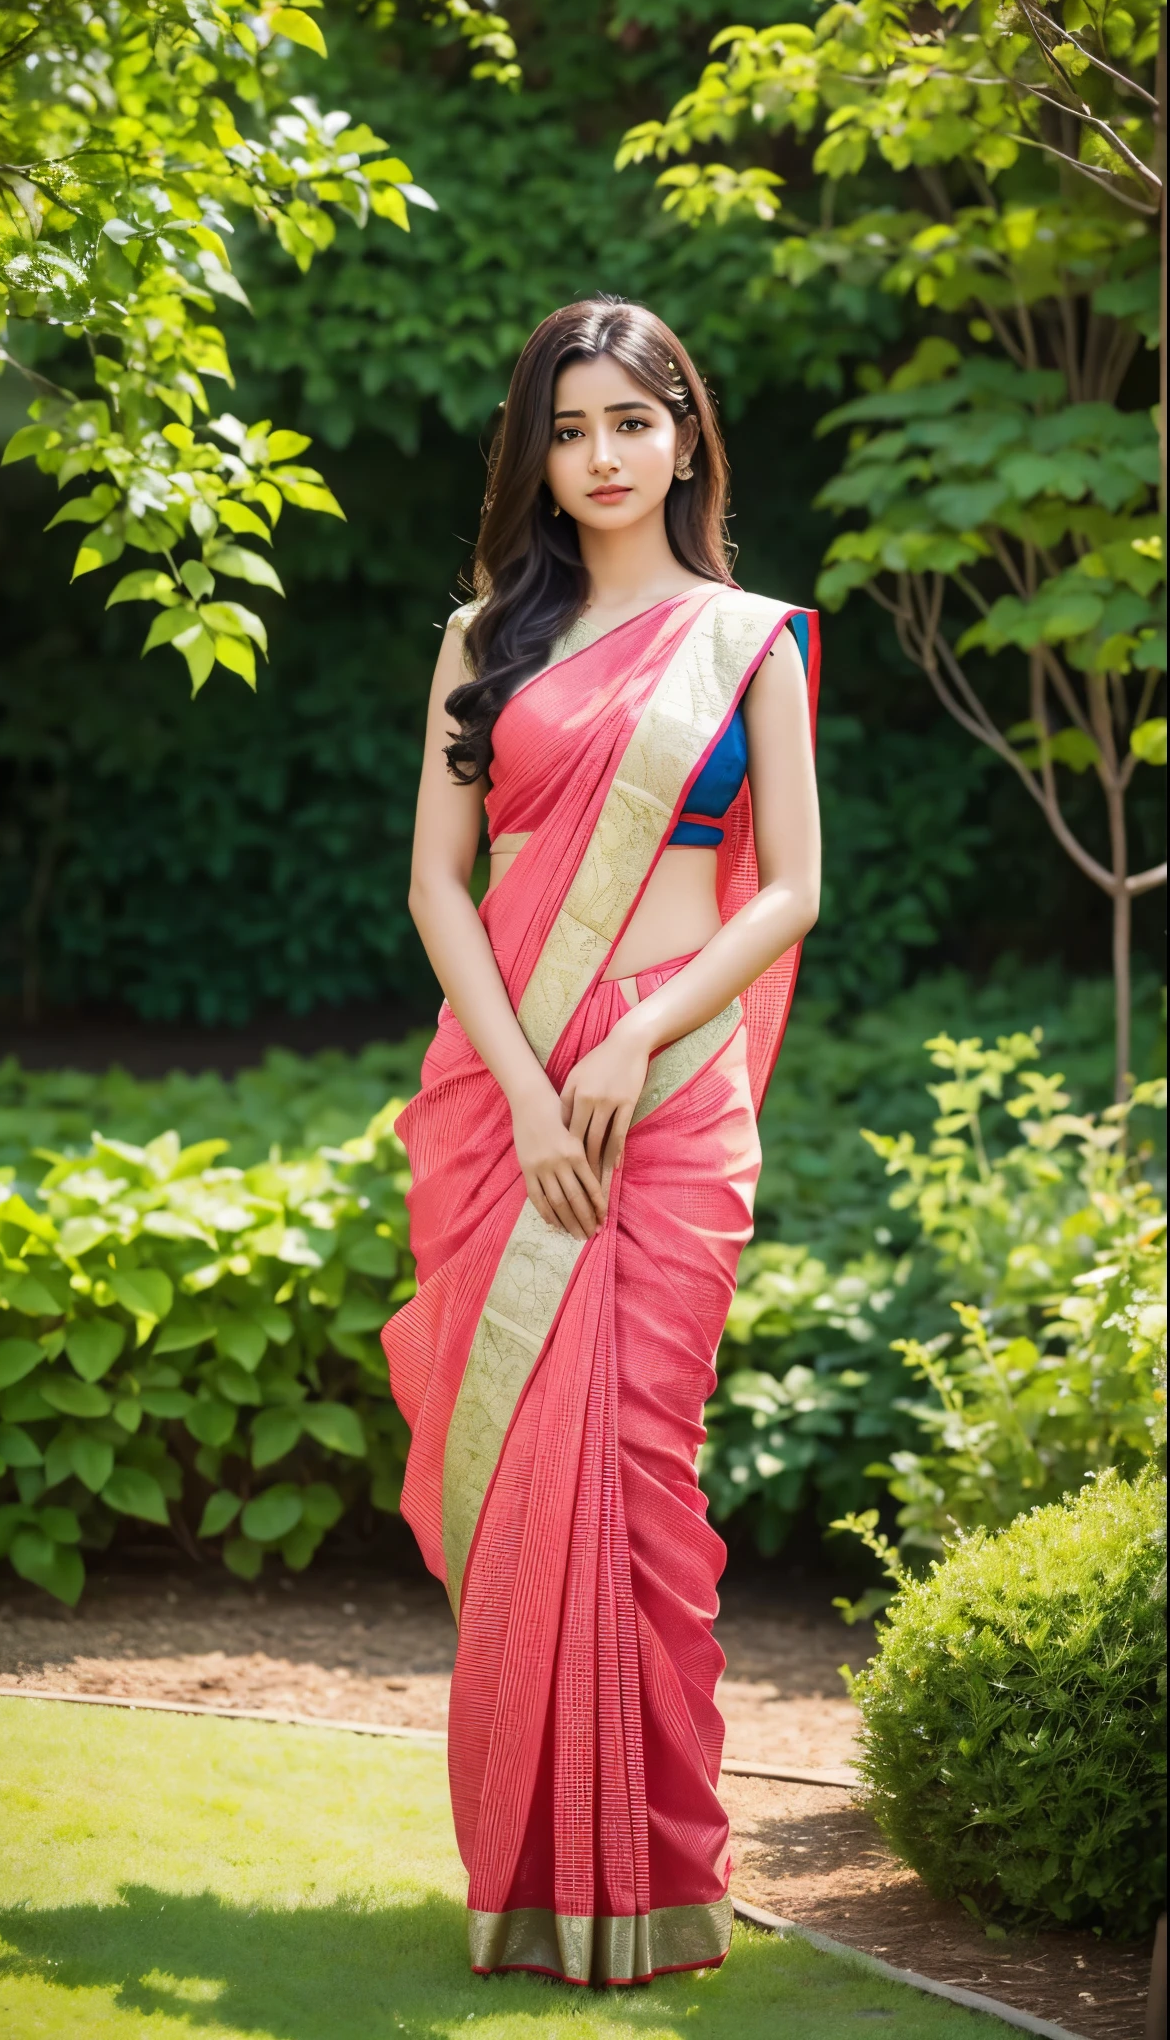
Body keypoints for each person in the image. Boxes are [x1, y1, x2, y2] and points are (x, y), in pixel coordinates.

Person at [380, 297, 821, 1989]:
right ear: (537, 459)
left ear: (686, 435)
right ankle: (531, 1885)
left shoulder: (753, 639)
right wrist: (529, 1081)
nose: (602, 456)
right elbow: (439, 882)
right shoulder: (482, 637)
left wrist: (635, 1034)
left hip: (674, 1084)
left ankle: (652, 1889)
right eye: (568, 431)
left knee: (639, 1468)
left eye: (631, 422)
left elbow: (789, 885)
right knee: (522, 1496)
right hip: (513, 1103)